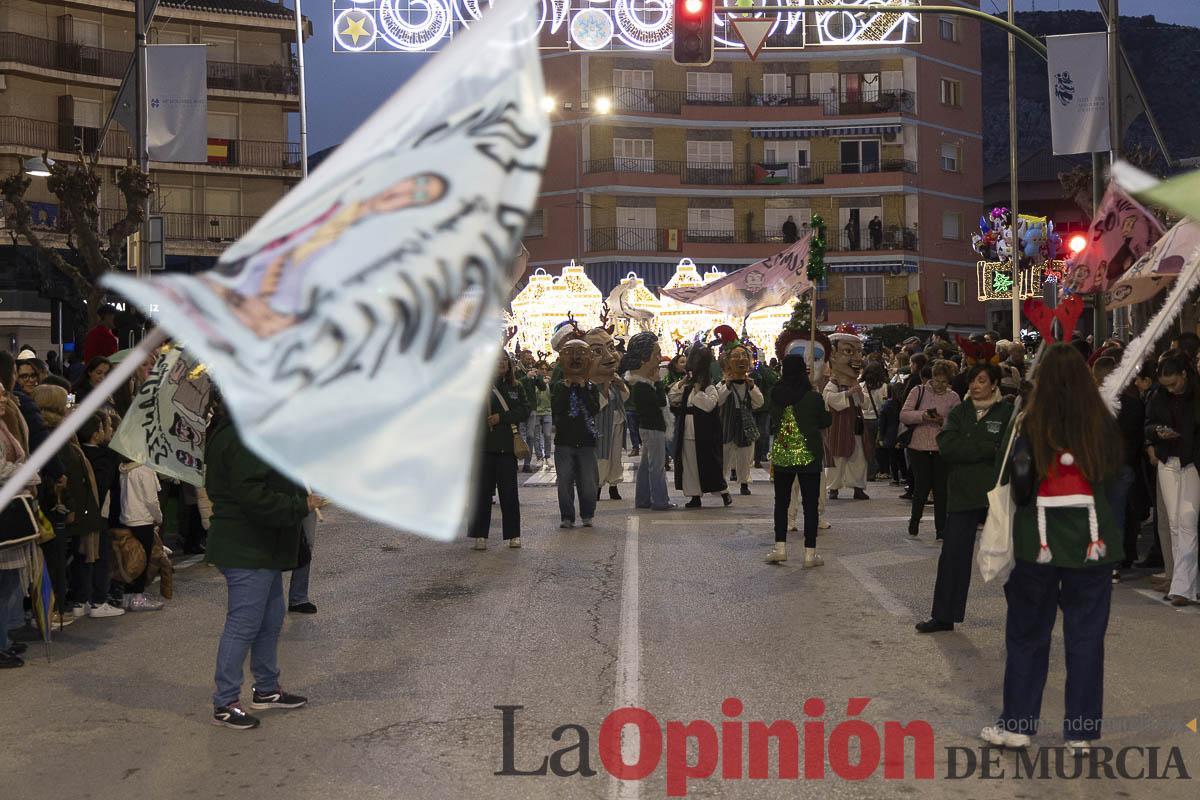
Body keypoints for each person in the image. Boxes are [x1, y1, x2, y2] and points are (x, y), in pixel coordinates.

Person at [982, 343, 1124, 752]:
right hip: (1092, 546)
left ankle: (1017, 724)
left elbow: (1010, 479)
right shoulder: (1103, 424)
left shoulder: (1028, 423)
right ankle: (1080, 731)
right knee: (1085, 639)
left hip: (1035, 544)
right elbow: (1119, 483)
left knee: (1027, 635)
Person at [206, 395, 320, 730]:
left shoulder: (246, 434)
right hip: (247, 545)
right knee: (243, 624)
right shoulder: (242, 438)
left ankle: (266, 688)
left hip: (260, 546)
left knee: (270, 619)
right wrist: (300, 504)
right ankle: (224, 702)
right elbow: (253, 496)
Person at [916, 363, 1012, 633]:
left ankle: (1023, 617)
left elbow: (1008, 449)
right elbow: (947, 446)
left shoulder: (1007, 413)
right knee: (953, 556)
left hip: (996, 493)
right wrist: (987, 449)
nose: (975, 385)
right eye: (972, 380)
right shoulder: (960, 411)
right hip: (962, 494)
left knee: (1008, 558)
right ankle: (944, 615)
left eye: (981, 380)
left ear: (994, 384)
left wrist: (974, 449)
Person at [1144, 353, 1200, 606]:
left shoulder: (1196, 396)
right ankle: (1185, 585)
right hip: (1169, 461)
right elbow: (1147, 425)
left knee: (1187, 521)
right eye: (1166, 384)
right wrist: (1157, 432)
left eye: (1173, 383)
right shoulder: (1158, 396)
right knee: (1177, 523)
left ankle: (1182, 586)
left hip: (1192, 464)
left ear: (1184, 375)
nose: (1170, 388)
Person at [766, 354, 832, 566]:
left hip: (783, 456)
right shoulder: (813, 397)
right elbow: (825, 421)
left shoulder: (775, 394)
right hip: (810, 457)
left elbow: (771, 420)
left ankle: (780, 548)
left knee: (781, 503)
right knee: (810, 505)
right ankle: (809, 554)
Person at [469, 352, 528, 549]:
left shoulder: (516, 386)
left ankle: (514, 535)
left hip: (507, 448)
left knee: (509, 494)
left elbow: (525, 410)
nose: (502, 363)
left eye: (505, 361)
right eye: (497, 361)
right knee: (482, 494)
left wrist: (501, 418)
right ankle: (480, 535)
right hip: (484, 448)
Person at [900, 360, 960, 539]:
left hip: (942, 448)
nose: (939, 385)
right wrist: (923, 416)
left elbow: (959, 423)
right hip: (918, 446)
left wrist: (944, 422)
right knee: (922, 486)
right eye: (936, 380)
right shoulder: (917, 391)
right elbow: (904, 414)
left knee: (941, 489)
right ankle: (915, 519)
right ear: (931, 378)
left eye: (944, 382)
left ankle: (941, 528)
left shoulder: (953, 397)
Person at [74, 413, 124, 618]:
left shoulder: (76, 452)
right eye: (106, 427)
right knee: (99, 555)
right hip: (100, 512)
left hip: (78, 511)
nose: (109, 431)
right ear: (96, 434)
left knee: (81, 554)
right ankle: (98, 600)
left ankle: (80, 600)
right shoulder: (107, 457)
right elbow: (107, 487)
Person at [670, 345, 731, 508]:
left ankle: (724, 492)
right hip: (687, 431)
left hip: (704, 433)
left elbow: (710, 405)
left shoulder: (709, 388)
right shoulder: (687, 387)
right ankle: (694, 496)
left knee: (710, 464)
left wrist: (699, 392)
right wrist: (682, 383)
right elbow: (672, 397)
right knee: (689, 465)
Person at [622, 332, 673, 511]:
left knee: (645, 466)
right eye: (656, 354)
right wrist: (658, 383)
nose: (659, 359)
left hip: (649, 428)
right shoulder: (642, 386)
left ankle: (643, 499)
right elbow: (659, 402)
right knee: (656, 466)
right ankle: (660, 501)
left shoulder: (641, 384)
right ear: (645, 358)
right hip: (653, 428)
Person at [552, 339, 600, 528]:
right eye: (570, 352)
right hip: (564, 442)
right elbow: (557, 407)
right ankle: (567, 516)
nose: (575, 357)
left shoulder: (591, 387)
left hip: (586, 442)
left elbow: (594, 409)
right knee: (564, 482)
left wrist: (582, 387)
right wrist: (567, 387)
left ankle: (587, 513)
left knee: (588, 483)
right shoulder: (558, 386)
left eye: (581, 352)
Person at [717, 337, 765, 497]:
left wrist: (751, 387)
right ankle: (722, 483)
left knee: (745, 455)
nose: (741, 360)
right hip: (727, 422)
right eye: (736, 357)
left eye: (744, 356)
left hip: (745, 423)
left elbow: (759, 403)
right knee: (725, 452)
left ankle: (744, 482)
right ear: (728, 362)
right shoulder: (723, 384)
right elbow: (717, 400)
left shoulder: (750, 383)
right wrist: (728, 385)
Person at [118, 456, 166, 611]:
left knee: (128, 560)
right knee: (141, 561)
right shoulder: (145, 470)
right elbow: (151, 500)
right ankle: (138, 598)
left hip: (127, 518)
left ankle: (127, 597)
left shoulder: (124, 469)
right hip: (143, 520)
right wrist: (159, 517)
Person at [860, 362, 888, 480]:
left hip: (862, 418)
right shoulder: (884, 386)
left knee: (864, 447)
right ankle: (874, 471)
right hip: (877, 419)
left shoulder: (861, 385)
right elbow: (883, 405)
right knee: (874, 447)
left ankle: (864, 472)